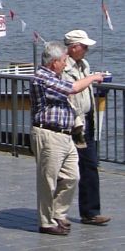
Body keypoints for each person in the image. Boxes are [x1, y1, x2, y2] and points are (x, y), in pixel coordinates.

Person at [31, 41, 105, 235]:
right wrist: (93, 77)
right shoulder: (43, 78)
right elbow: (72, 88)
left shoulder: (55, 76)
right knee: (48, 180)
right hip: (48, 134)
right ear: (54, 62)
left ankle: (58, 213)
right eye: (63, 60)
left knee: (73, 176)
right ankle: (46, 222)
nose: (65, 64)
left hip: (65, 135)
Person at [60, 30, 112, 226]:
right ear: (73, 47)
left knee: (90, 165)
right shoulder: (63, 67)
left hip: (87, 121)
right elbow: (69, 90)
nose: (87, 49)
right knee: (65, 170)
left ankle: (91, 211)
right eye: (84, 46)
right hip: (73, 123)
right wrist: (92, 78)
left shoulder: (84, 64)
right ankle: (58, 213)